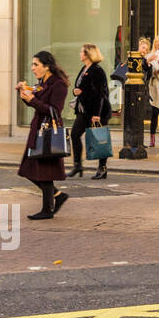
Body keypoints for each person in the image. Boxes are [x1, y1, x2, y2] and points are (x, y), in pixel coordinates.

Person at [17, 51, 71, 220]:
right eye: (32, 64)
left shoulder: (59, 84)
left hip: (48, 131)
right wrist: (25, 94)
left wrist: (32, 99)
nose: (32, 68)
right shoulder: (43, 81)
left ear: (47, 66)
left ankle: (47, 209)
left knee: (44, 170)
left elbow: (54, 110)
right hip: (38, 128)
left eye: (36, 65)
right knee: (28, 169)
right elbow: (37, 100)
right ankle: (57, 196)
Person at [68, 44, 111, 179]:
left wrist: (97, 115)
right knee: (75, 135)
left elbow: (101, 94)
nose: (80, 54)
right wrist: (76, 91)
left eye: (82, 52)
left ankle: (102, 168)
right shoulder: (84, 68)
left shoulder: (97, 71)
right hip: (84, 111)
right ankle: (77, 165)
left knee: (100, 138)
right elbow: (80, 87)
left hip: (97, 111)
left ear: (88, 54)